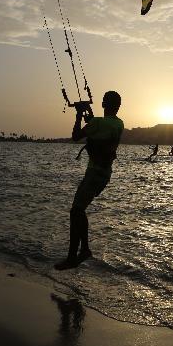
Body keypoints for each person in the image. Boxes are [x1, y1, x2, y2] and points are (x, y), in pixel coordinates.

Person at [55, 91, 123, 270]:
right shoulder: (118, 124)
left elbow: (76, 136)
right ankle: (82, 250)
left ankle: (76, 254)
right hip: (104, 175)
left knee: (76, 211)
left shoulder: (98, 123)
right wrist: (90, 119)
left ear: (103, 104)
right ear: (118, 106)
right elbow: (99, 130)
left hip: (94, 173)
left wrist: (78, 115)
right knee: (78, 210)